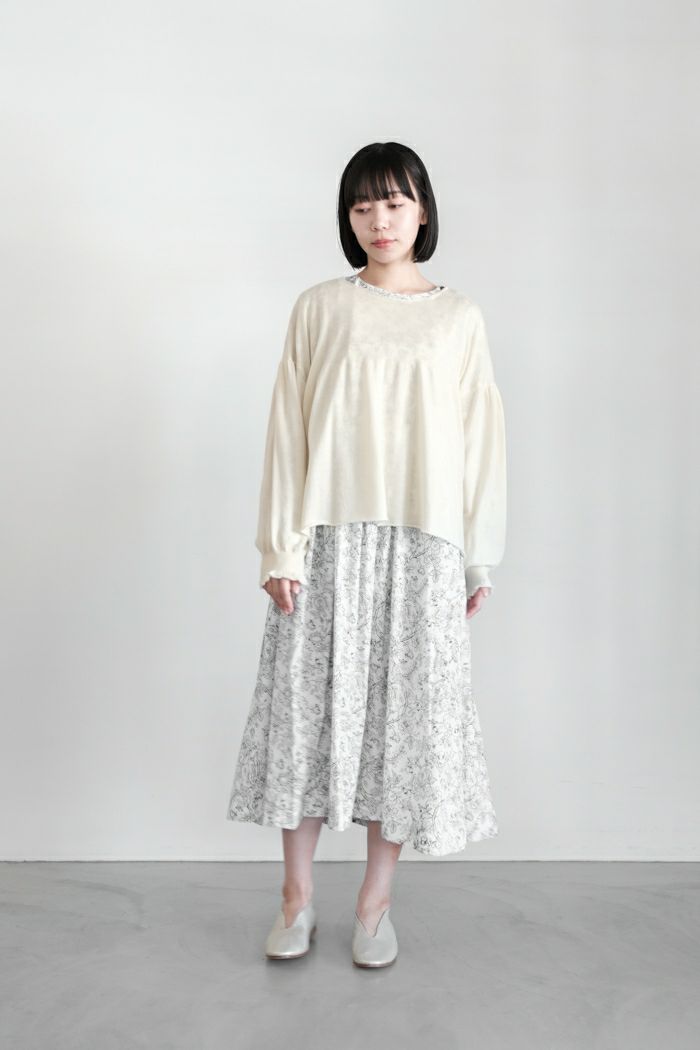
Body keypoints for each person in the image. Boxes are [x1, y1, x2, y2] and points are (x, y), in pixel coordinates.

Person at [226, 141, 507, 968]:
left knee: (401, 726)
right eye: (361, 205)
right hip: (327, 539)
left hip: (424, 544)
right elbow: (288, 428)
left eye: (394, 202)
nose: (379, 220)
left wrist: (477, 557)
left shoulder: (459, 318)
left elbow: (482, 441)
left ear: (423, 210)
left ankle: (375, 907)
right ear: (347, 218)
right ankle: (296, 899)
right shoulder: (321, 307)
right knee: (307, 715)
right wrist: (281, 547)